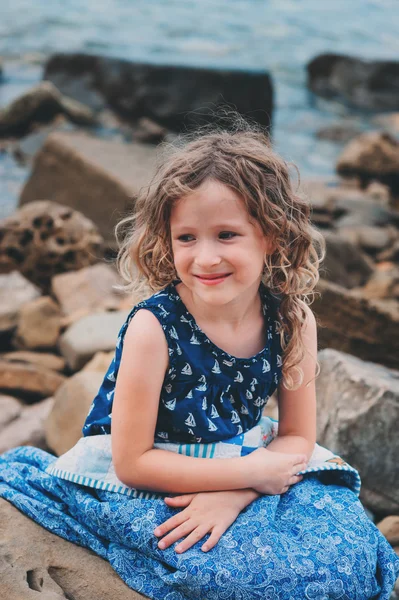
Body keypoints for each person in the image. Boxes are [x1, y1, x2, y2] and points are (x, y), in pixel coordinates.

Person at [0, 117, 398, 600]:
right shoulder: (154, 328)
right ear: (166, 239)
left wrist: (241, 489)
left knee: (353, 551)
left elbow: (296, 436)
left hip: (245, 462)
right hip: (157, 479)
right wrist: (247, 476)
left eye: (226, 235)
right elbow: (133, 462)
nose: (204, 258)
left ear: (271, 235)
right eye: (187, 237)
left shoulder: (293, 320)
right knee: (242, 577)